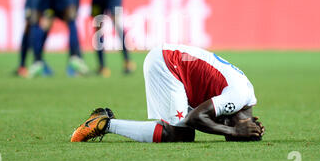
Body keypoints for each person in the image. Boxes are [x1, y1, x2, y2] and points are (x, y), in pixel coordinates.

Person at [70, 43, 265, 143]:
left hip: (174, 64)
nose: (227, 133)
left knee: (184, 133)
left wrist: (233, 129)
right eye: (234, 130)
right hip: (167, 64)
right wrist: (232, 131)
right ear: (245, 120)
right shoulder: (237, 97)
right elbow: (195, 118)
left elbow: (199, 119)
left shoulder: (244, 96)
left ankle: (105, 123)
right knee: (177, 133)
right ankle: (104, 124)